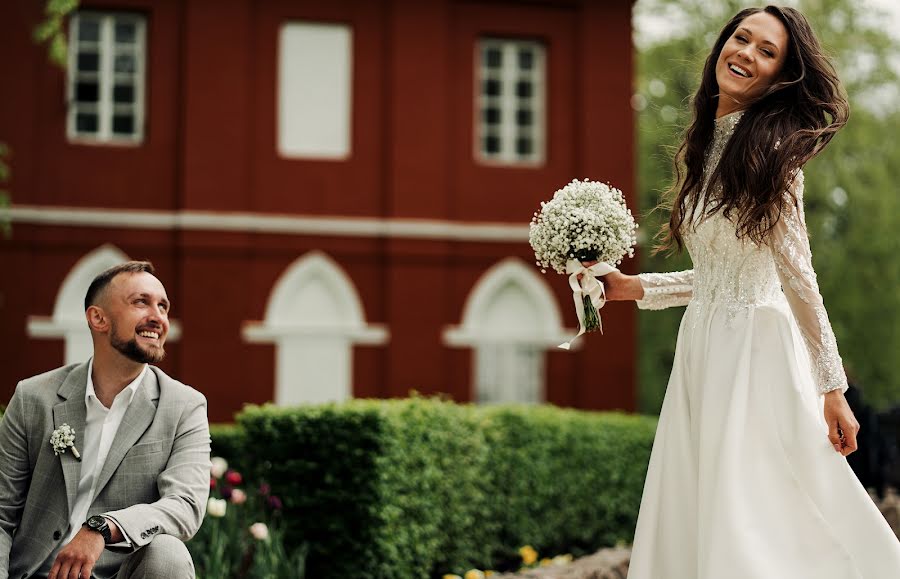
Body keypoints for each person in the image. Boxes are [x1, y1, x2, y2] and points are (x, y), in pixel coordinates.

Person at [595, 6, 900, 577]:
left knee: (754, 514)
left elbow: (797, 278)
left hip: (755, 352)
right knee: (705, 505)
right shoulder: (706, 148)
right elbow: (719, 275)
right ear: (722, 44)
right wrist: (633, 287)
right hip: (704, 346)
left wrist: (832, 387)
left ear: (781, 78)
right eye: (742, 38)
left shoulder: (773, 155)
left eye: (767, 52)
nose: (746, 54)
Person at [0, 261, 211, 579]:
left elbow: (185, 506)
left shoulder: (184, 406)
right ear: (98, 318)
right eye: (141, 302)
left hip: (118, 573)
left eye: (163, 306)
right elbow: (2, 513)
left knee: (169, 554)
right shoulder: (34, 397)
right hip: (32, 572)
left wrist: (105, 527)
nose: (158, 317)